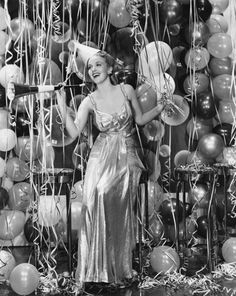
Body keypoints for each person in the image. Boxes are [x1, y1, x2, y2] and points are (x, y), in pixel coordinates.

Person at [56, 50, 164, 291]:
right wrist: (63, 106)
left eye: (98, 65)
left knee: (117, 205)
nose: (93, 69)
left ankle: (119, 267)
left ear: (109, 69)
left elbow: (140, 119)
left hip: (126, 154)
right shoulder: (89, 100)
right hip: (100, 156)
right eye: (90, 67)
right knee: (95, 200)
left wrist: (160, 107)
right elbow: (74, 133)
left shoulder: (126, 89)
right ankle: (94, 269)